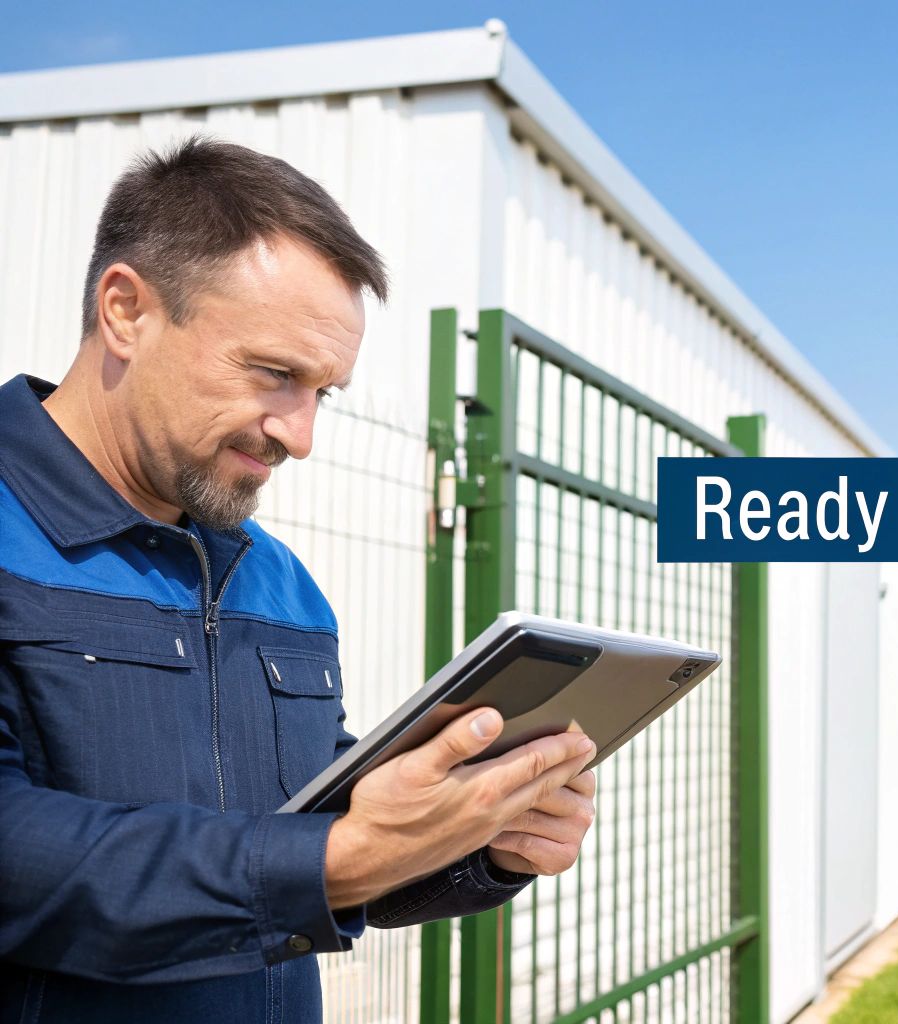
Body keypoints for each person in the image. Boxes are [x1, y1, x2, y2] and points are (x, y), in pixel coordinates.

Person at [0, 137, 598, 1023]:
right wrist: (335, 860)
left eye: (325, 392)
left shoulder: (280, 581)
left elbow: (333, 835)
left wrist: (484, 838)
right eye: (275, 374)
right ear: (125, 310)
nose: (301, 434)